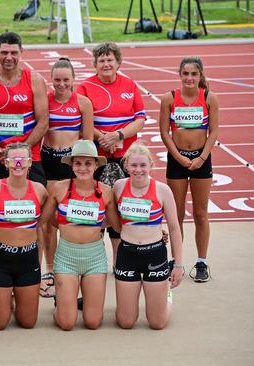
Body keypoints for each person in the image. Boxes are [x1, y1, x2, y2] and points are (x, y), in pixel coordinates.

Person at [41, 140, 120, 330]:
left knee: (92, 322)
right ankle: (62, 305)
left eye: (87, 163)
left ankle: (71, 299)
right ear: (71, 165)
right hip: (67, 256)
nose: (82, 168)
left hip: (95, 258)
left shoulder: (106, 191)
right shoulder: (59, 188)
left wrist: (156, 231)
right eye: (78, 163)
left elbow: (117, 225)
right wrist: (65, 225)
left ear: (95, 165)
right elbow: (44, 219)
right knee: (66, 323)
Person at [76, 42, 145, 259]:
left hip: (126, 158)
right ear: (95, 64)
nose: (106, 64)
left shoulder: (130, 85)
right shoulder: (85, 87)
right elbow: (81, 120)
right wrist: (104, 138)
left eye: (109, 60)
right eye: (101, 60)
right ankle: (94, 258)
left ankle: (118, 259)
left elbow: (140, 119)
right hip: (97, 158)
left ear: (118, 62)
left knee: (122, 206)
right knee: (95, 206)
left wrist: (120, 135)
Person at [0, 142, 48, 330]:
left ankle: (13, 297)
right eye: (13, 160)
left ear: (30, 163)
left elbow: (42, 227)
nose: (18, 164)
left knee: (28, 323)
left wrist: (40, 262)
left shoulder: (39, 190)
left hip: (27, 260)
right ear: (6, 163)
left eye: (22, 160)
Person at [159, 56, 219, 283]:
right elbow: (165, 132)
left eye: (194, 74)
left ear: (200, 75)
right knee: (177, 214)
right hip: (177, 160)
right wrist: (179, 157)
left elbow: (213, 131)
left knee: (201, 214)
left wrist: (202, 157)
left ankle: (202, 262)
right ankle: (177, 262)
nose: (189, 78)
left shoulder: (209, 98)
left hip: (202, 161)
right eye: (185, 73)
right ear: (180, 75)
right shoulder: (170, 98)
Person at [113, 143, 183, 329]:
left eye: (143, 165)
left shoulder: (162, 190)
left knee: (157, 323)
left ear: (151, 165)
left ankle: (166, 296)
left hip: (155, 255)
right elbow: (109, 219)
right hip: (127, 254)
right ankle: (124, 307)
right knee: (126, 322)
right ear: (126, 165)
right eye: (134, 165)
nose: (138, 170)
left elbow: (175, 228)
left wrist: (178, 265)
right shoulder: (118, 187)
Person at [39, 57, 94, 298]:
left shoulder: (83, 103)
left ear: (73, 80)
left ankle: (73, 268)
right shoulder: (45, 101)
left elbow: (88, 140)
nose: (61, 84)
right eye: (57, 80)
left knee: (71, 221)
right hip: (49, 161)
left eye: (66, 80)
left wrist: (84, 171)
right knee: (49, 221)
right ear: (51, 80)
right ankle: (49, 270)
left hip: (72, 165)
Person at [0, 31, 49, 188]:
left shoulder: (35, 80)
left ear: (21, 52)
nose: (9, 57)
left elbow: (43, 122)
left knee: (34, 206)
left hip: (30, 157)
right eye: (4, 52)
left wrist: (22, 151)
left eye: (14, 52)